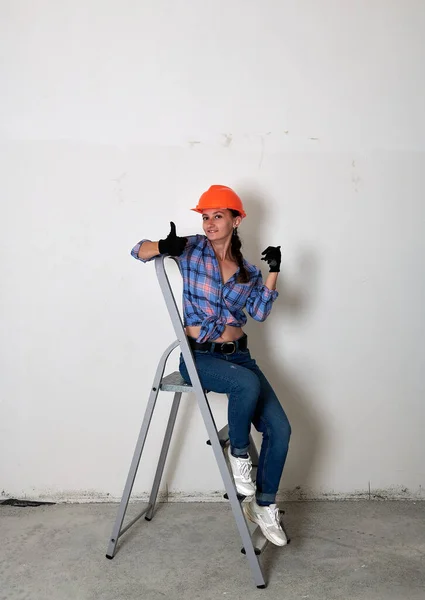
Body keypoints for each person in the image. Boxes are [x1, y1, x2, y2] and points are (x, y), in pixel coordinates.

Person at [131, 185, 291, 546]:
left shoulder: (247, 271)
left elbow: (261, 313)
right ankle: (238, 456)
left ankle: (263, 505)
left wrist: (273, 271)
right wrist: (163, 247)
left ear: (236, 220)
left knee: (280, 429)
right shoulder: (190, 248)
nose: (209, 222)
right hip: (198, 357)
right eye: (205, 216)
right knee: (246, 386)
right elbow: (137, 250)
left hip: (240, 356)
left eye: (218, 215)